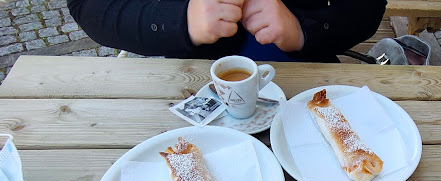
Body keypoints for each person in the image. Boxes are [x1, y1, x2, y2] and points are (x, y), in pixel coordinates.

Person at [67, 0, 387, 62]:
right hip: (184, 73)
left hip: (305, 70)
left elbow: (367, 9)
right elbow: (89, 8)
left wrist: (304, 32)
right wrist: (179, 18)